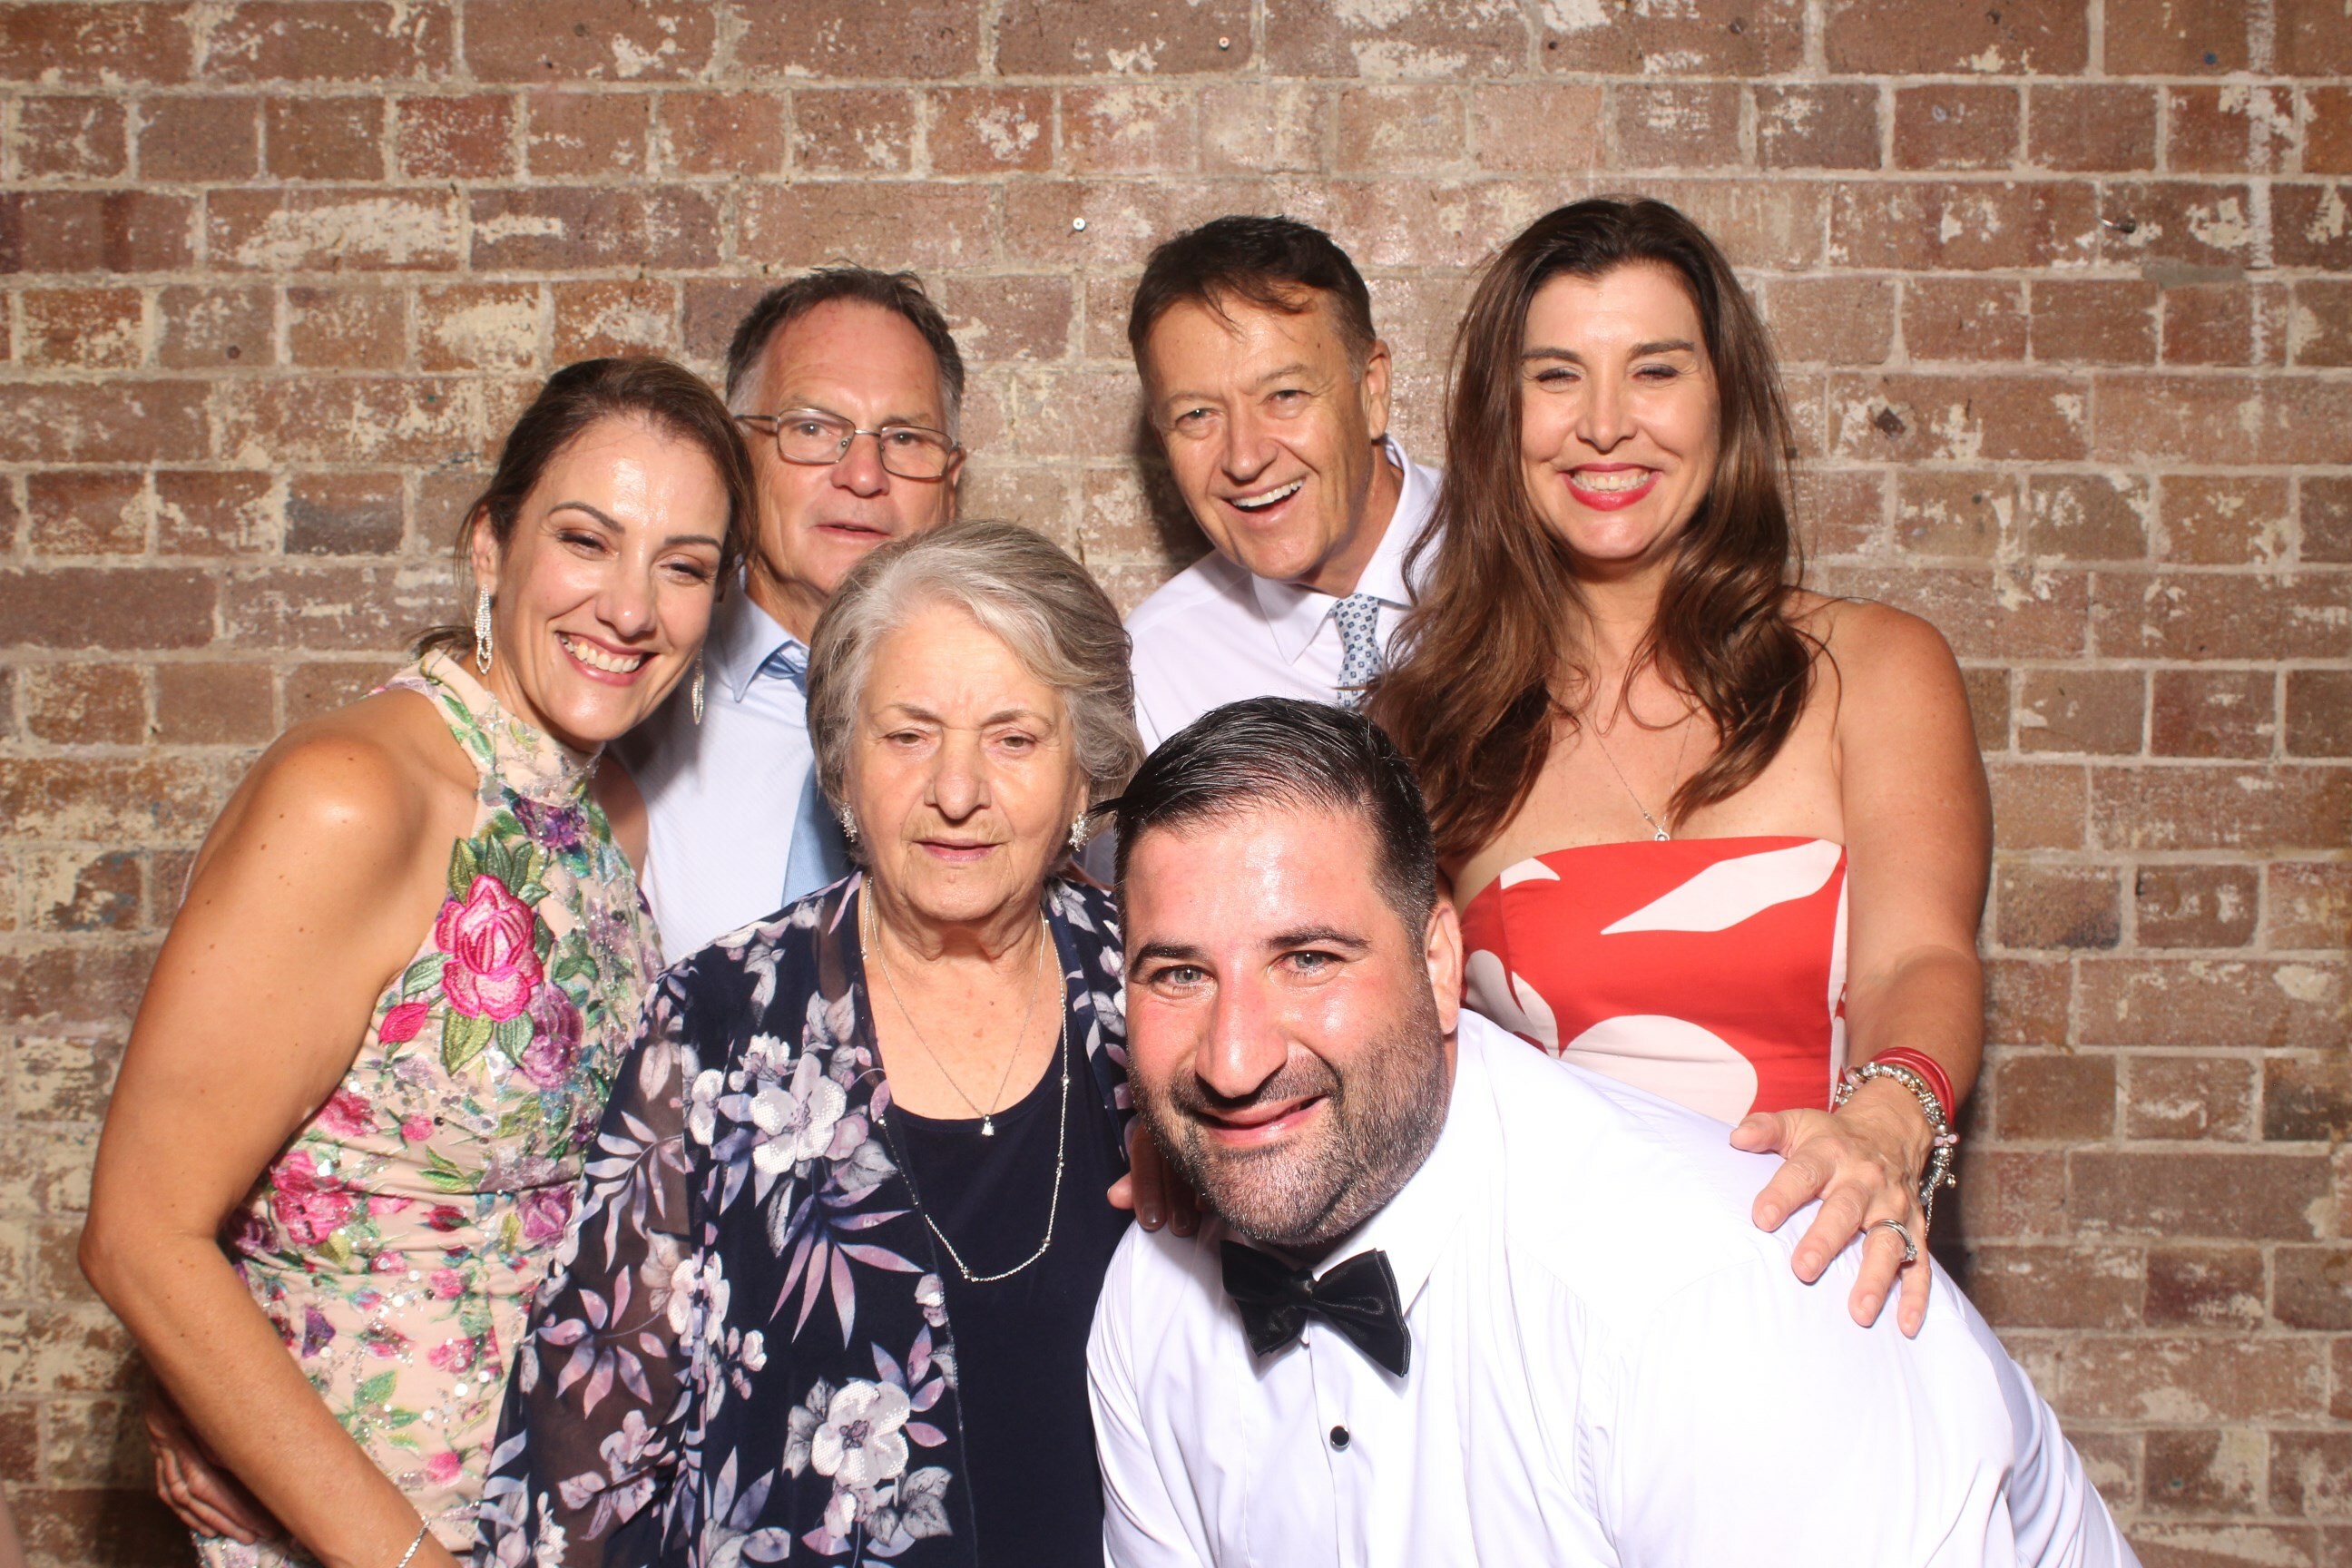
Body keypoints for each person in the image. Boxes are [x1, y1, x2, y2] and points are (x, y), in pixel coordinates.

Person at [1091, 699, 2132, 1567]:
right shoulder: (1150, 1297)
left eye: (1309, 960)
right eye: (1179, 974)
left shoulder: (1717, 1305)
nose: (1233, 1061)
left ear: (1441, 962)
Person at [80, 358, 758, 1568]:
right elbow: (142, 1235)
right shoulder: (351, 796)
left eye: (684, 566)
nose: (631, 608)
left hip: (561, 1513)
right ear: (491, 545)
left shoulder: (608, 813)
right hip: (369, 1534)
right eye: (587, 541)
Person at [1368, 197, 1992, 1336]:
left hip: (1835, 1302)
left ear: (1723, 400)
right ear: (1504, 419)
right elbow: (1370, 1035)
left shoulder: (1877, 668)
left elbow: (1920, 956)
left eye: (1654, 371)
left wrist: (1892, 1115)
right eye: (1557, 377)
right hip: (1549, 1335)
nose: (1606, 425)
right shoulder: (1428, 728)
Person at [478, 522, 1145, 1568]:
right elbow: (588, 1447)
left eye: (1014, 739)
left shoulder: (1159, 999)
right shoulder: (719, 1020)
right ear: (841, 767)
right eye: (908, 736)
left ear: (1082, 777)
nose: (957, 791)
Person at [624, 266, 967, 959]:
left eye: (905, 438)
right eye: (812, 428)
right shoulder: (627, 687)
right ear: (735, 456)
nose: (863, 475)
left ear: (951, 486)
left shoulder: (1018, 715)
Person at [1122, 215, 1442, 749]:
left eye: (1285, 396)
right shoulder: (1155, 668)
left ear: (1372, 391)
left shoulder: (1535, 562)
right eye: (1197, 414)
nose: (1245, 458)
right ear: (1162, 439)